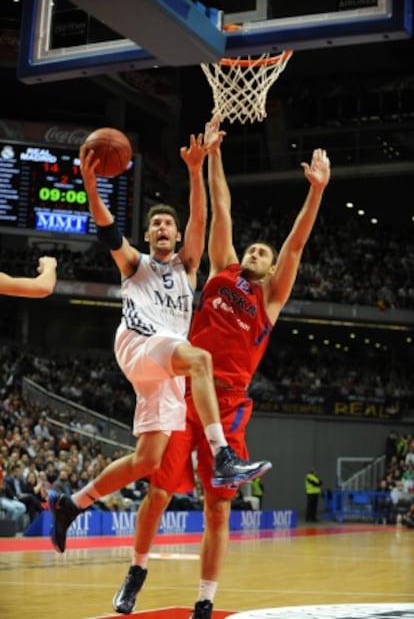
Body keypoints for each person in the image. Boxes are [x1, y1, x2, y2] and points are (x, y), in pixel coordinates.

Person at [111, 115, 331, 617]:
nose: (255, 250)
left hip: (228, 404)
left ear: (271, 268)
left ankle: (205, 601)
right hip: (181, 391)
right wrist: (212, 155)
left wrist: (315, 192)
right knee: (159, 492)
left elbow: (296, 243)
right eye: (252, 247)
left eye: (263, 252)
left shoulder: (270, 297)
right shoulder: (222, 268)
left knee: (219, 506)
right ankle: (137, 569)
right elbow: (222, 206)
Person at [48, 128, 270, 554]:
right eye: (156, 224)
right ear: (149, 236)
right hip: (139, 344)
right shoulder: (135, 263)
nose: (163, 227)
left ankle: (72, 504)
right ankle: (224, 455)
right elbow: (109, 230)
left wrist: (194, 170)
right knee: (201, 359)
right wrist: (91, 185)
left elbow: (201, 220)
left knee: (148, 461)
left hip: (165, 368)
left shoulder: (188, 268)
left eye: (169, 223)